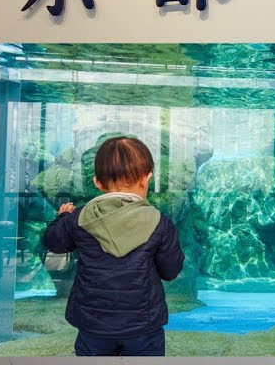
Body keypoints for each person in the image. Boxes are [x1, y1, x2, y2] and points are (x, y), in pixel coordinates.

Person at [44, 136, 184, 357]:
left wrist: (61, 218)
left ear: (98, 182)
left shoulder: (78, 219)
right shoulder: (160, 222)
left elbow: (54, 243)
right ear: (146, 179)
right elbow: (170, 271)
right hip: (143, 325)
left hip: (92, 325)